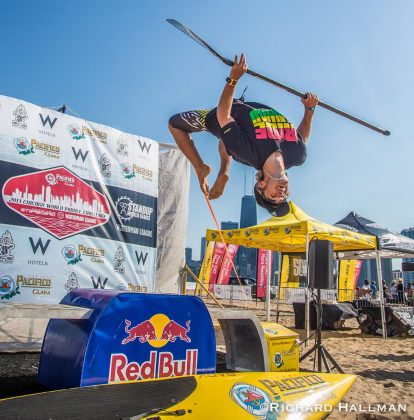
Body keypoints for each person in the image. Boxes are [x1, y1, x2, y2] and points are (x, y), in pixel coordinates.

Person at [168, 54, 319, 214]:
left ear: (261, 185)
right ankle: (223, 172)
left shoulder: (249, 153)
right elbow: (301, 137)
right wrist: (309, 109)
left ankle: (200, 167)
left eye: (272, 197)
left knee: (175, 124)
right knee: (228, 142)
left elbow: (223, 116)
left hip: (223, 112)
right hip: (247, 111)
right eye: (282, 198)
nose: (280, 195)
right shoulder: (297, 155)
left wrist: (233, 79)